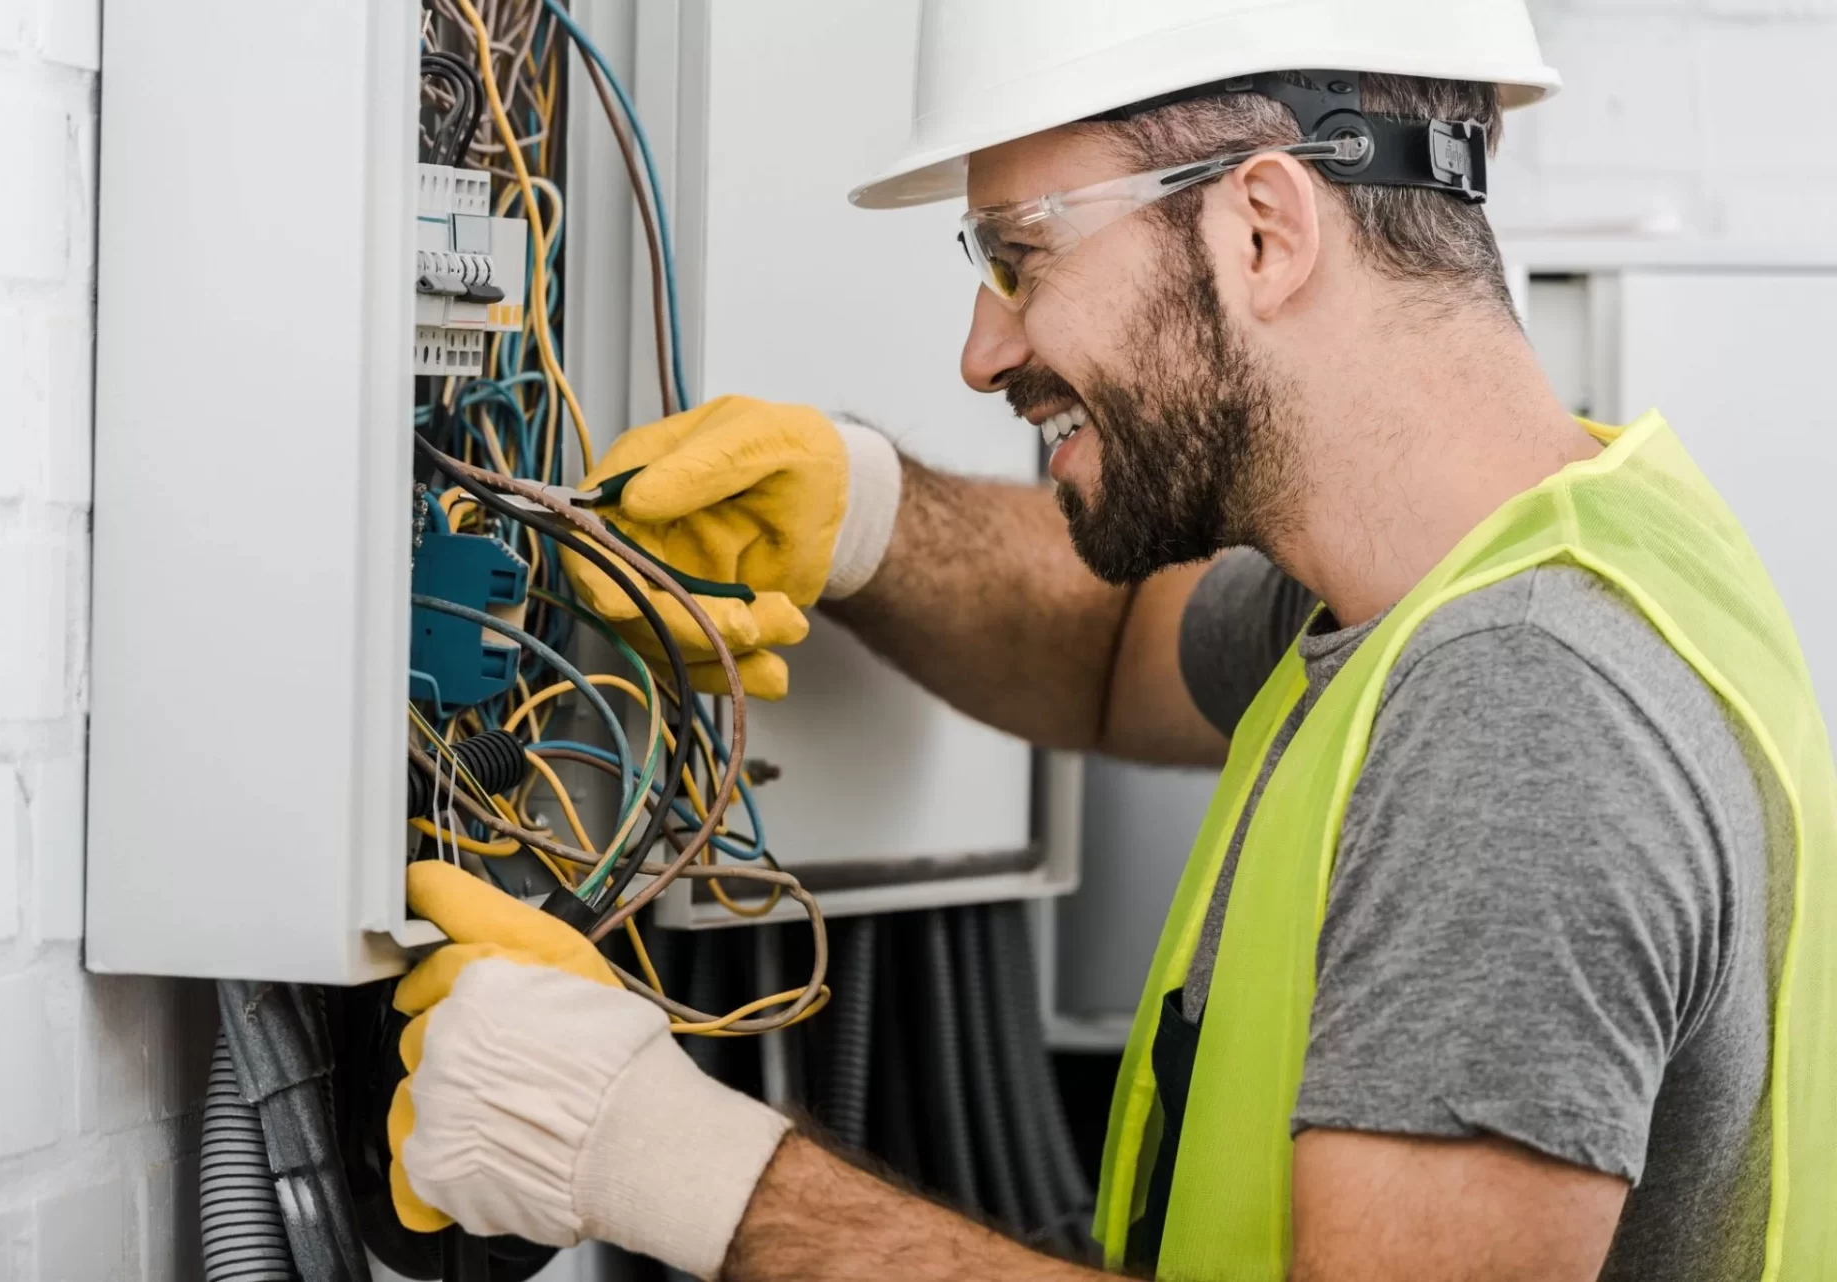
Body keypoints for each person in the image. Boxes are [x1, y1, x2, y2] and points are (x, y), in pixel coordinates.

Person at [386, 2, 1836, 1279]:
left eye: (1022, 254)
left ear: (1264, 228)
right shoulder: (1494, 564)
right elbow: (1104, 653)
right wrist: (866, 516)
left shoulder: (1520, 711)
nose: (983, 348)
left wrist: (661, 1158)